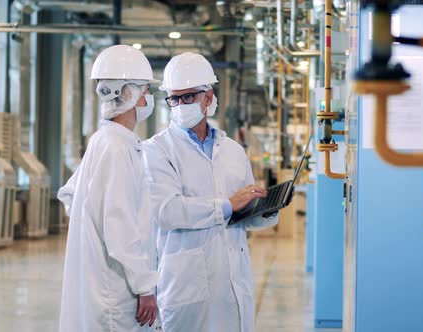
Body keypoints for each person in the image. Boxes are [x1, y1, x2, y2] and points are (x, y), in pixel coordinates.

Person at [143, 52, 279, 332]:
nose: (180, 105)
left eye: (189, 97)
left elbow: (243, 213)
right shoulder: (157, 150)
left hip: (233, 282)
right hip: (186, 288)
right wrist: (227, 205)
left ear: (209, 97)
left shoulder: (232, 151)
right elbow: (168, 212)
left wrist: (267, 209)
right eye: (174, 98)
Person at [57, 45, 159, 332]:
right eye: (146, 91)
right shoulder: (116, 148)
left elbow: (70, 195)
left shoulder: (105, 141)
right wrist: (145, 286)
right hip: (117, 290)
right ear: (128, 95)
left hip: (101, 279)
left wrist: (87, 229)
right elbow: (120, 228)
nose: (149, 98)